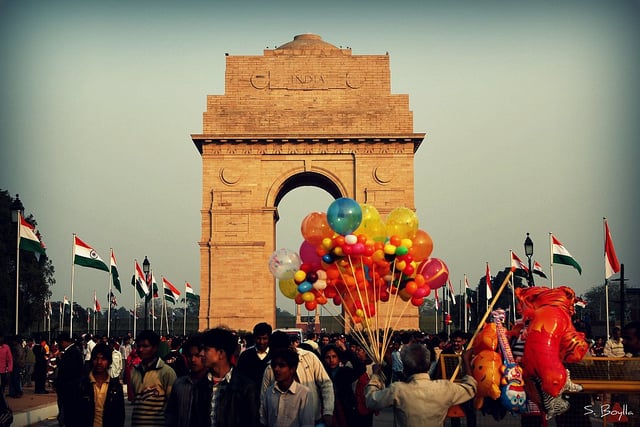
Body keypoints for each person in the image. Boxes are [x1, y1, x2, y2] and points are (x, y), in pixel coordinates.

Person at [365, 343, 477, 427]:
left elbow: (371, 401)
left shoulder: (398, 390)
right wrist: (466, 361)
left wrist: (375, 376)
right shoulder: (444, 388)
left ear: (405, 369)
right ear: (428, 366)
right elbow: (471, 388)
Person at [262, 330, 334, 427]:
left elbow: (326, 384)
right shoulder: (269, 369)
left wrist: (328, 412)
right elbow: (263, 399)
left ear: (289, 347)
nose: (277, 368)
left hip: (314, 419)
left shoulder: (309, 357)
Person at [193, 327, 259, 427]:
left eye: (206, 349)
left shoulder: (246, 387)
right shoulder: (200, 385)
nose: (201, 354)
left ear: (221, 353)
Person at [129, 330, 177, 426]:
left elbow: (172, 405)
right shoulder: (134, 371)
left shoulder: (166, 372)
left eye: (145, 346)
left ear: (155, 348)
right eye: (139, 346)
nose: (141, 350)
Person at [259, 347, 314, 427]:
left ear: (292, 369)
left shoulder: (303, 393)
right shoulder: (269, 392)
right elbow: (264, 420)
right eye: (274, 365)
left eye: (282, 366)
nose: (276, 369)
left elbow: (307, 423)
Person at [165, 335, 208, 427]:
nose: (193, 360)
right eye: (189, 356)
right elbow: (171, 415)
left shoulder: (215, 385)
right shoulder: (178, 384)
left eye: (197, 355)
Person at [79, 342, 125, 427]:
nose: (99, 362)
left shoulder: (115, 387)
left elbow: (119, 416)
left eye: (103, 359)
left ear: (109, 361)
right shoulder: (82, 385)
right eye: (96, 359)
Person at [320, 342, 364, 427]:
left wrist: (346, 350)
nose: (331, 360)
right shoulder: (321, 374)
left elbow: (361, 368)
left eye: (334, 356)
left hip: (346, 411)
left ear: (339, 358)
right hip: (328, 412)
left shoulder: (345, 372)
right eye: (328, 357)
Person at [237, 322, 272, 401]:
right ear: (254, 338)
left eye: (264, 338)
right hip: (249, 400)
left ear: (269, 338)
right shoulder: (245, 356)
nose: (261, 342)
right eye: (259, 338)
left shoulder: (275, 356)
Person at [55, 332, 84, 427]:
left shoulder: (72, 352)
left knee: (67, 409)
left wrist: (59, 360)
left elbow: (68, 369)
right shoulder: (73, 350)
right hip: (70, 386)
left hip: (69, 386)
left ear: (63, 342)